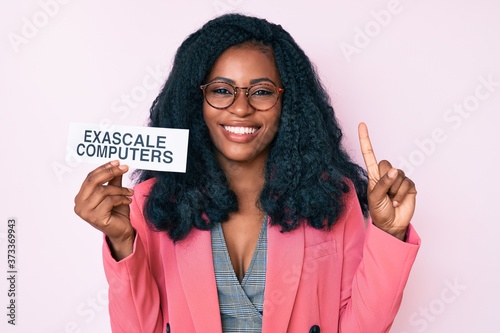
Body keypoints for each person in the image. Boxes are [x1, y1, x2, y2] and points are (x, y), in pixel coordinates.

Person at [74, 13, 420, 333]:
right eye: (222, 90)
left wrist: (390, 232)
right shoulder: (155, 202)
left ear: (289, 103)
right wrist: (122, 243)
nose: (241, 108)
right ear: (196, 102)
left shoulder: (331, 198)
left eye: (262, 92)